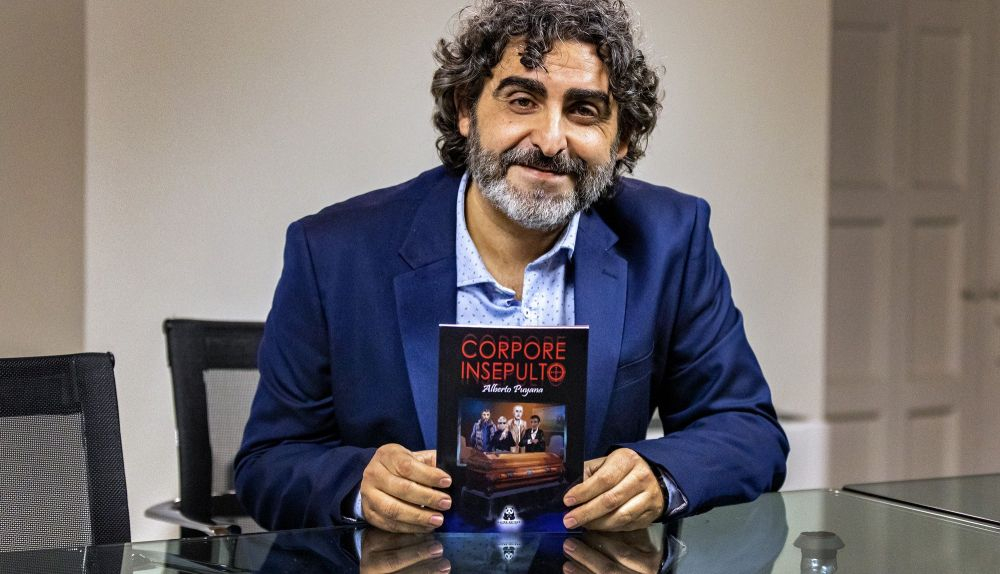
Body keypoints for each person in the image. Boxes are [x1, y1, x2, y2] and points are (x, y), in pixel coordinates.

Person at [235, 0, 788, 535]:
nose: (549, 141)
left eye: (584, 110)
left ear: (621, 139)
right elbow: (269, 463)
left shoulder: (669, 239)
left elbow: (748, 432)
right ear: (466, 110)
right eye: (522, 100)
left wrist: (659, 477)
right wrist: (360, 486)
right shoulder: (335, 251)